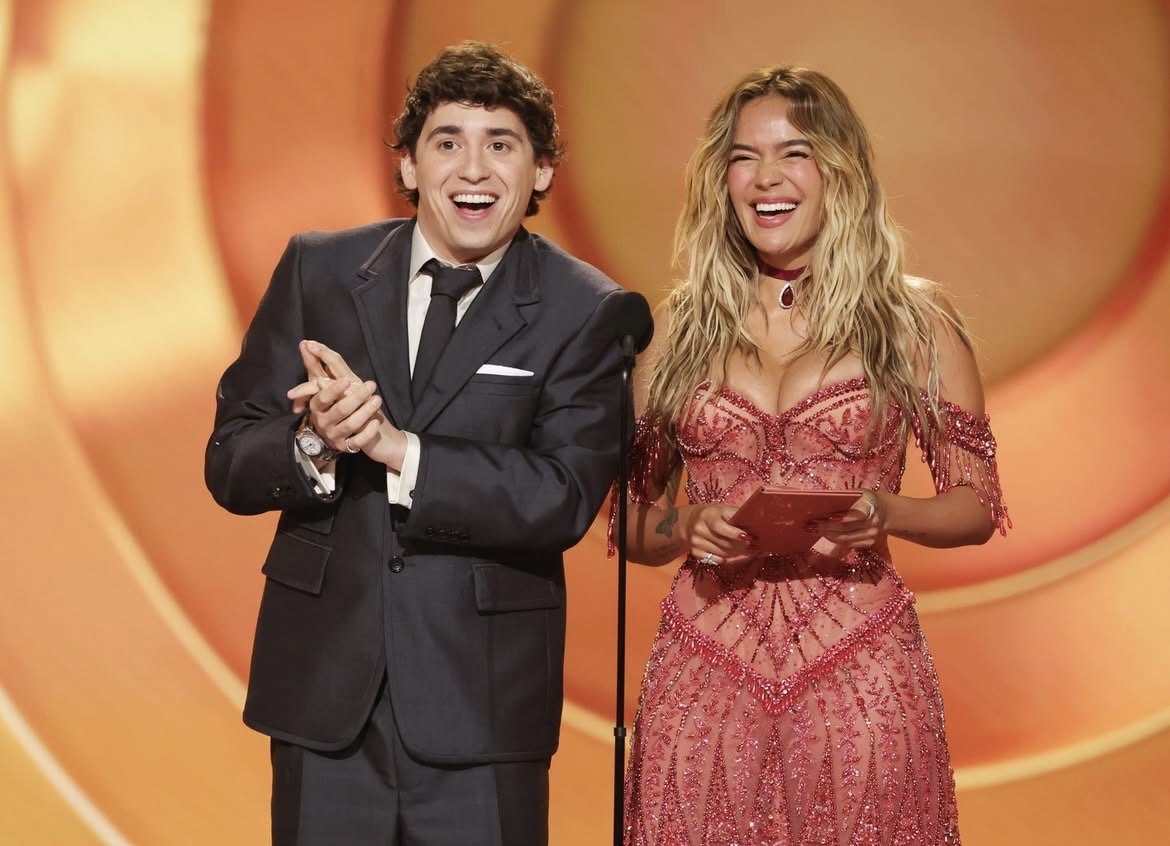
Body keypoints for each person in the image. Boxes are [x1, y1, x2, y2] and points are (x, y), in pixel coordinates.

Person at [205, 41, 645, 846]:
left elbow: (563, 496)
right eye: (448, 143)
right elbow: (230, 460)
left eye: (500, 144)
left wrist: (400, 451)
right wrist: (315, 442)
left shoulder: (587, 309)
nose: (473, 170)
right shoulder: (319, 270)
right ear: (409, 164)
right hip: (323, 704)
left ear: (542, 171)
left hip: (481, 711)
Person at [617, 66, 1009, 845]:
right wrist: (687, 526)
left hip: (861, 682)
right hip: (704, 683)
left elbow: (977, 506)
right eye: (744, 158)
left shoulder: (912, 323)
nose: (766, 178)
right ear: (721, 179)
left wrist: (885, 512)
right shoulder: (676, 332)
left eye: (793, 153)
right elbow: (628, 522)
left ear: (840, 170)